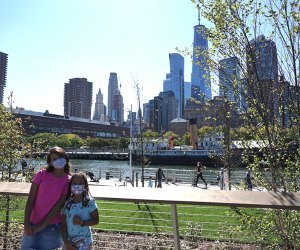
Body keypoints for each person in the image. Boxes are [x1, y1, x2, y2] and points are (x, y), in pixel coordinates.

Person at [21, 146, 72, 250]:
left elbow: (58, 206)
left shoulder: (68, 180)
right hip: (31, 223)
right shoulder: (41, 174)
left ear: (66, 159)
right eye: (54, 159)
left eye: (60, 157)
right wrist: (26, 223)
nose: (58, 160)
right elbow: (31, 199)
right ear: (50, 162)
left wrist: (41, 226)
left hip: (51, 226)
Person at [61, 172, 99, 250]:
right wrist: (66, 243)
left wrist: (83, 222)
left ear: (85, 185)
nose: (77, 186)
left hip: (86, 242)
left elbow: (96, 220)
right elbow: (63, 226)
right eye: (74, 183)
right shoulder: (68, 204)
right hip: (69, 242)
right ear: (70, 186)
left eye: (80, 183)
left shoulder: (90, 203)